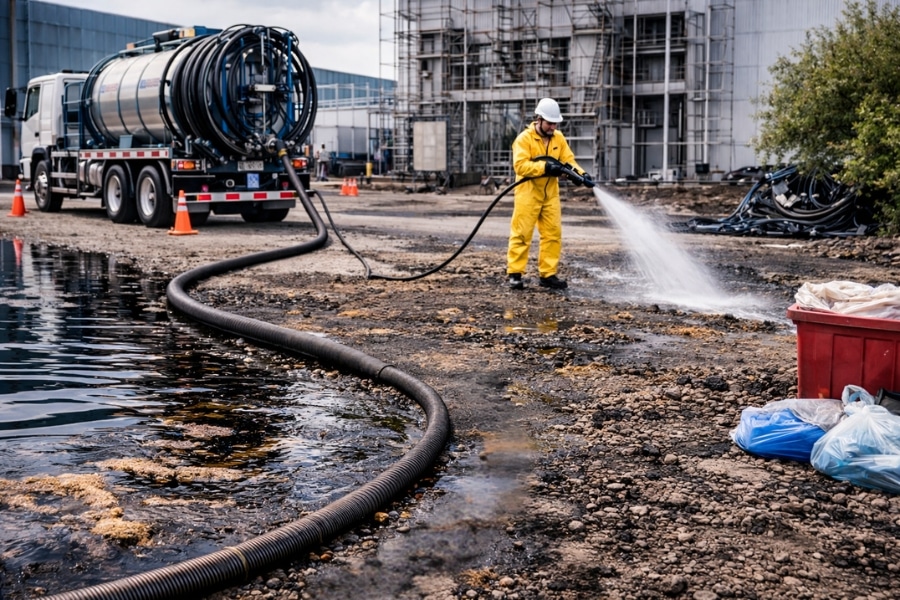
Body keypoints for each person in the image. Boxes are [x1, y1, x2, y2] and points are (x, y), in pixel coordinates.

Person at [507, 98, 593, 290]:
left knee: (553, 234)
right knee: (522, 234)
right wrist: (545, 166)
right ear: (539, 119)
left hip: (550, 194)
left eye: (555, 123)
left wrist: (582, 175)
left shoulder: (558, 138)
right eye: (550, 123)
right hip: (528, 193)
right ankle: (515, 273)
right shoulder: (524, 139)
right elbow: (520, 166)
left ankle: (547, 275)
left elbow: (568, 160)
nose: (553, 127)